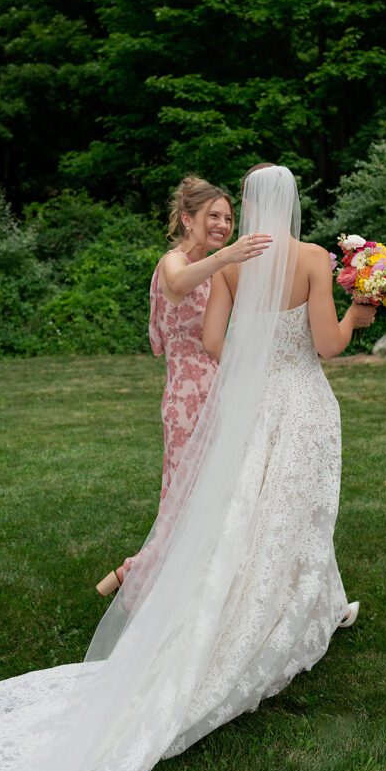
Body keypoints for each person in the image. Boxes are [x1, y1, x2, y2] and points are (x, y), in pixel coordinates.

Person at [0, 165, 374, 771]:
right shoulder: (315, 259)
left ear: (250, 204)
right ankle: (288, 615)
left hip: (253, 403)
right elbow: (327, 344)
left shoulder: (229, 266)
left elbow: (210, 344)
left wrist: (253, 363)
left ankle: (307, 604)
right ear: (294, 203)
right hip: (302, 403)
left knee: (250, 516)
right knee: (299, 510)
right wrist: (361, 309)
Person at [97, 175, 271, 594]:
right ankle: (129, 577)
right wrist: (226, 256)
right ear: (187, 219)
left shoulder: (219, 268)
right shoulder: (174, 262)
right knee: (184, 500)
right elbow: (177, 285)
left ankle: (209, 586)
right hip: (187, 399)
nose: (223, 224)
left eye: (228, 218)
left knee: (222, 493)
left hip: (221, 389)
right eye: (213, 216)